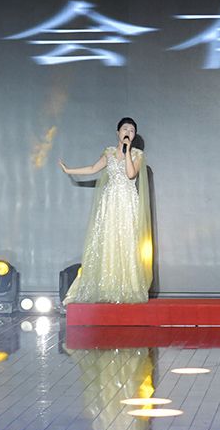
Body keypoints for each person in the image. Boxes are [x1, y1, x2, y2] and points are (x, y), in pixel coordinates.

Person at [58, 117, 153, 304]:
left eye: (132, 130)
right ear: (118, 132)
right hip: (110, 202)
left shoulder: (137, 154)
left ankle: (129, 287)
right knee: (108, 240)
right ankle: (107, 286)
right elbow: (93, 168)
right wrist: (69, 171)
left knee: (127, 241)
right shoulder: (109, 152)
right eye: (125, 129)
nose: (128, 132)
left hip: (127, 202)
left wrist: (127, 151)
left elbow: (131, 174)